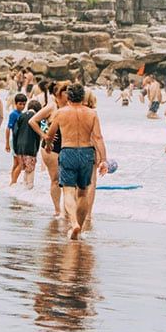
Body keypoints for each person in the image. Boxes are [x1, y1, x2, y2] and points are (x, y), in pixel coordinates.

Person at [42, 84, 108, 240]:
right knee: (83, 192)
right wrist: (103, 160)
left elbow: (50, 134)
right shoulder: (92, 113)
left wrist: (49, 145)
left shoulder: (60, 113)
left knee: (68, 191)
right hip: (87, 153)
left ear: (69, 97)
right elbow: (98, 137)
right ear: (83, 97)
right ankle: (80, 225)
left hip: (68, 151)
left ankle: (73, 223)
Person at [28, 82, 67, 218]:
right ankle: (57, 210)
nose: (68, 94)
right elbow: (33, 121)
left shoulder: (71, 106)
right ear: (58, 94)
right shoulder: (52, 106)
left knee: (68, 181)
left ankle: (67, 209)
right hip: (51, 147)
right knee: (56, 179)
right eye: (65, 92)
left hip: (68, 146)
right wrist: (44, 134)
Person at [11, 99, 42, 189]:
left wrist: (15, 148)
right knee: (30, 170)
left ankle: (24, 188)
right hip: (30, 147)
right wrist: (37, 149)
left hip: (20, 147)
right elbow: (40, 133)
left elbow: (15, 132)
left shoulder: (21, 116)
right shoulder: (37, 117)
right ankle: (29, 188)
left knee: (24, 168)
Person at [4, 93, 27, 184]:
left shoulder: (22, 114)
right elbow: (8, 128)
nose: (22, 106)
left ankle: (13, 181)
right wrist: (7, 143)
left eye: (24, 104)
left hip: (19, 141)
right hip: (15, 141)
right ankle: (13, 182)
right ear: (15, 103)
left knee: (16, 163)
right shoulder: (13, 114)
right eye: (20, 104)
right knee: (20, 164)